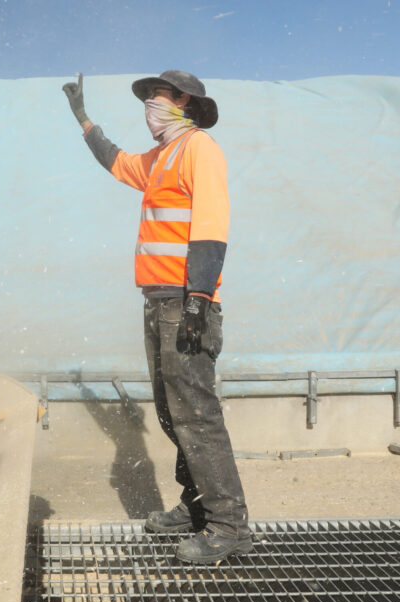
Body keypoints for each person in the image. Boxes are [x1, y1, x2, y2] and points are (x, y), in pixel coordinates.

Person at [62, 70, 251, 564]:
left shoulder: (198, 149)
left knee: (196, 416)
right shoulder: (161, 158)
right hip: (158, 300)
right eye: (145, 99)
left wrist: (198, 301)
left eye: (155, 97)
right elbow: (119, 163)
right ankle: (196, 507)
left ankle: (229, 526)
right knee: (172, 414)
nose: (148, 105)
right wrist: (84, 121)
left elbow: (211, 227)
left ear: (182, 102)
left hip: (186, 303)